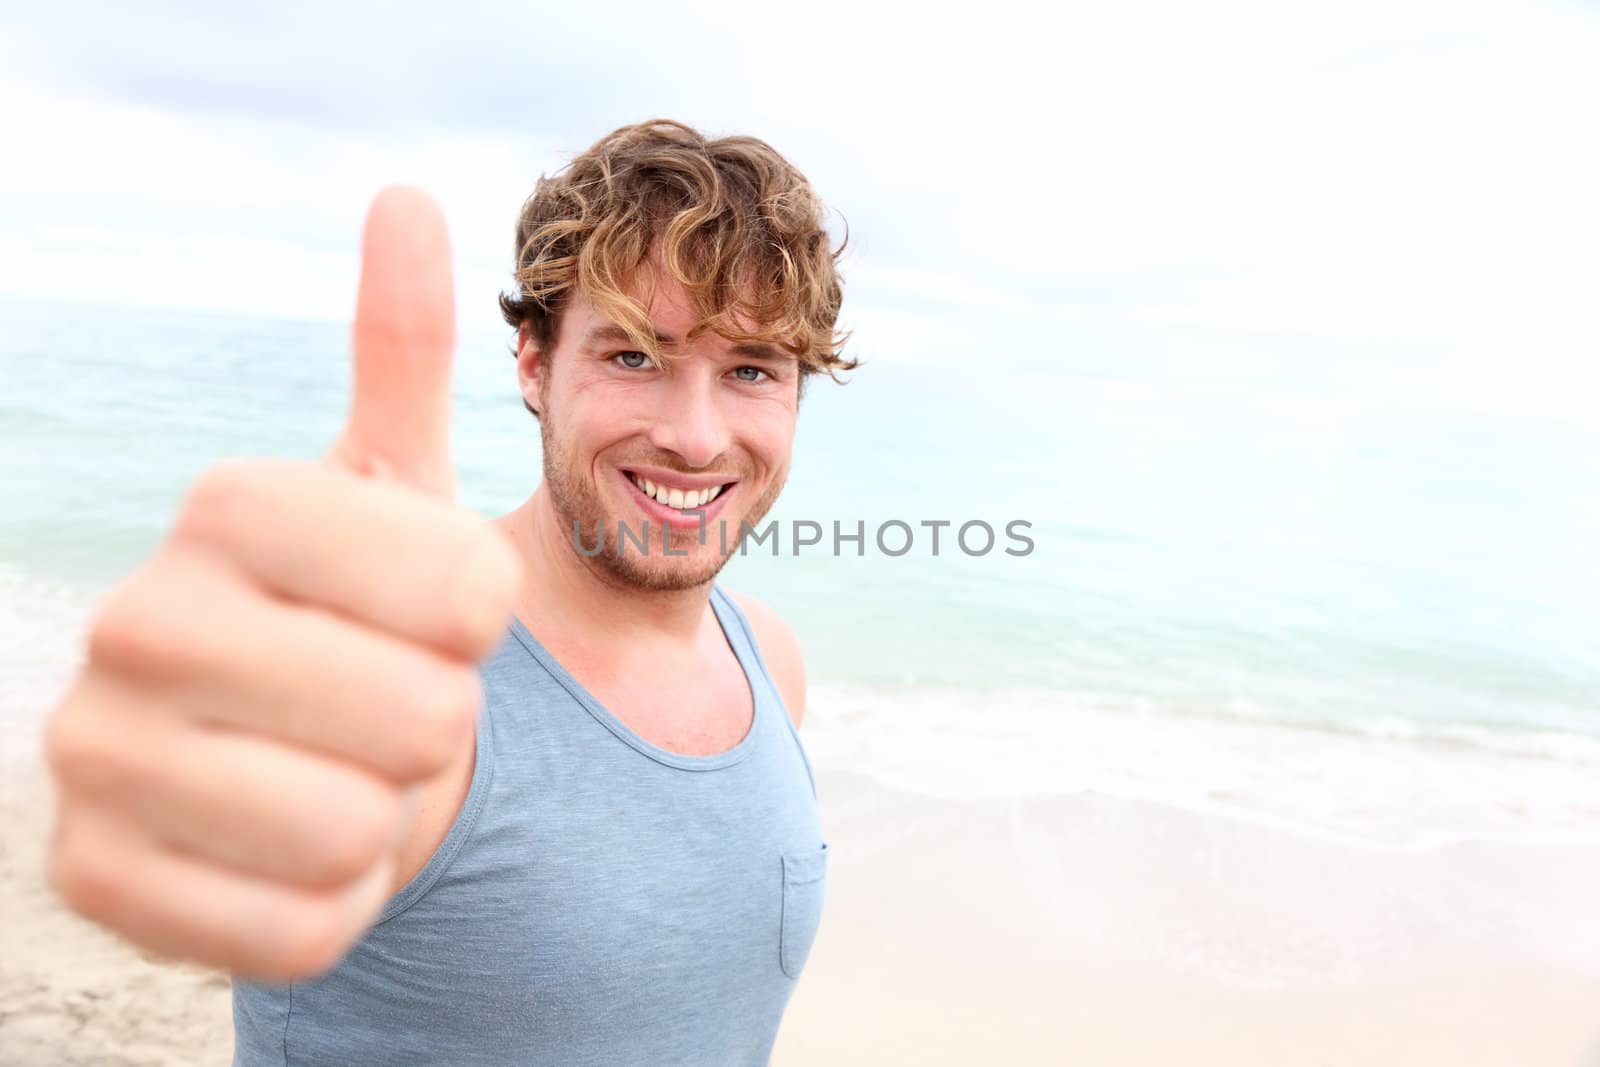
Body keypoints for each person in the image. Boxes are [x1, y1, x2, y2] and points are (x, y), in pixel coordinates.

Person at [41, 118, 856, 1066]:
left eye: (751, 369)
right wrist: (174, 780)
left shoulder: (770, 659)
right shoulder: (415, 682)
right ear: (535, 363)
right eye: (634, 355)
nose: (697, 435)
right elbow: (266, 802)